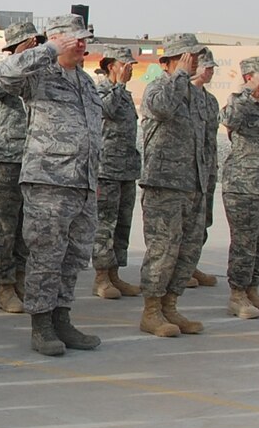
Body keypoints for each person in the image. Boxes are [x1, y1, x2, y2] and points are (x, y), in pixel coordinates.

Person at [0, 13, 102, 356]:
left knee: (74, 257)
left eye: (85, 39)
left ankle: (62, 318)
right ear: (57, 38)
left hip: (83, 182)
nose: (83, 45)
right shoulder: (39, 74)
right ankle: (41, 325)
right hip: (49, 181)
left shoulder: (85, 82)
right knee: (46, 256)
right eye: (76, 38)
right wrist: (48, 49)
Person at [135, 35, 209, 336]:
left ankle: (170, 306)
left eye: (194, 57)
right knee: (163, 249)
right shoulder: (159, 88)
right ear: (167, 62)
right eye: (186, 57)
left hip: (193, 184)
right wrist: (179, 74)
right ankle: (151, 311)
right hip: (164, 184)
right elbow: (162, 109)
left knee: (186, 251)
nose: (192, 63)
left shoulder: (197, 96)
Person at [220, 55, 259, 319]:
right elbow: (229, 119)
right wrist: (246, 92)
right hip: (244, 185)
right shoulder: (239, 102)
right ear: (249, 77)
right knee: (244, 243)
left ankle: (253, 289)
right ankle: (238, 294)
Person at [0, 21, 38, 315]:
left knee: (26, 228)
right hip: (6, 158)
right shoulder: (2, 71)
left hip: (34, 160)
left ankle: (21, 279)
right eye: (28, 44)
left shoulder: (40, 73)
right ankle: (4, 286)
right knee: (5, 227)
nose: (34, 47)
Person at [91, 45, 142, 300]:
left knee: (123, 225)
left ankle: (115, 274)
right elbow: (104, 111)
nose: (130, 69)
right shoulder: (100, 90)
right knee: (104, 225)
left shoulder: (125, 94)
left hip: (126, 170)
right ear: (112, 66)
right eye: (126, 64)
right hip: (106, 169)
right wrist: (118, 86)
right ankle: (101, 276)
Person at [188, 50, 222, 289]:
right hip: (187, 170)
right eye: (206, 67)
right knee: (185, 223)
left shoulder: (210, 100)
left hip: (206, 168)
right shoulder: (183, 94)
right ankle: (180, 268)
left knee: (202, 221)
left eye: (212, 68)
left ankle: (191, 264)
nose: (210, 71)